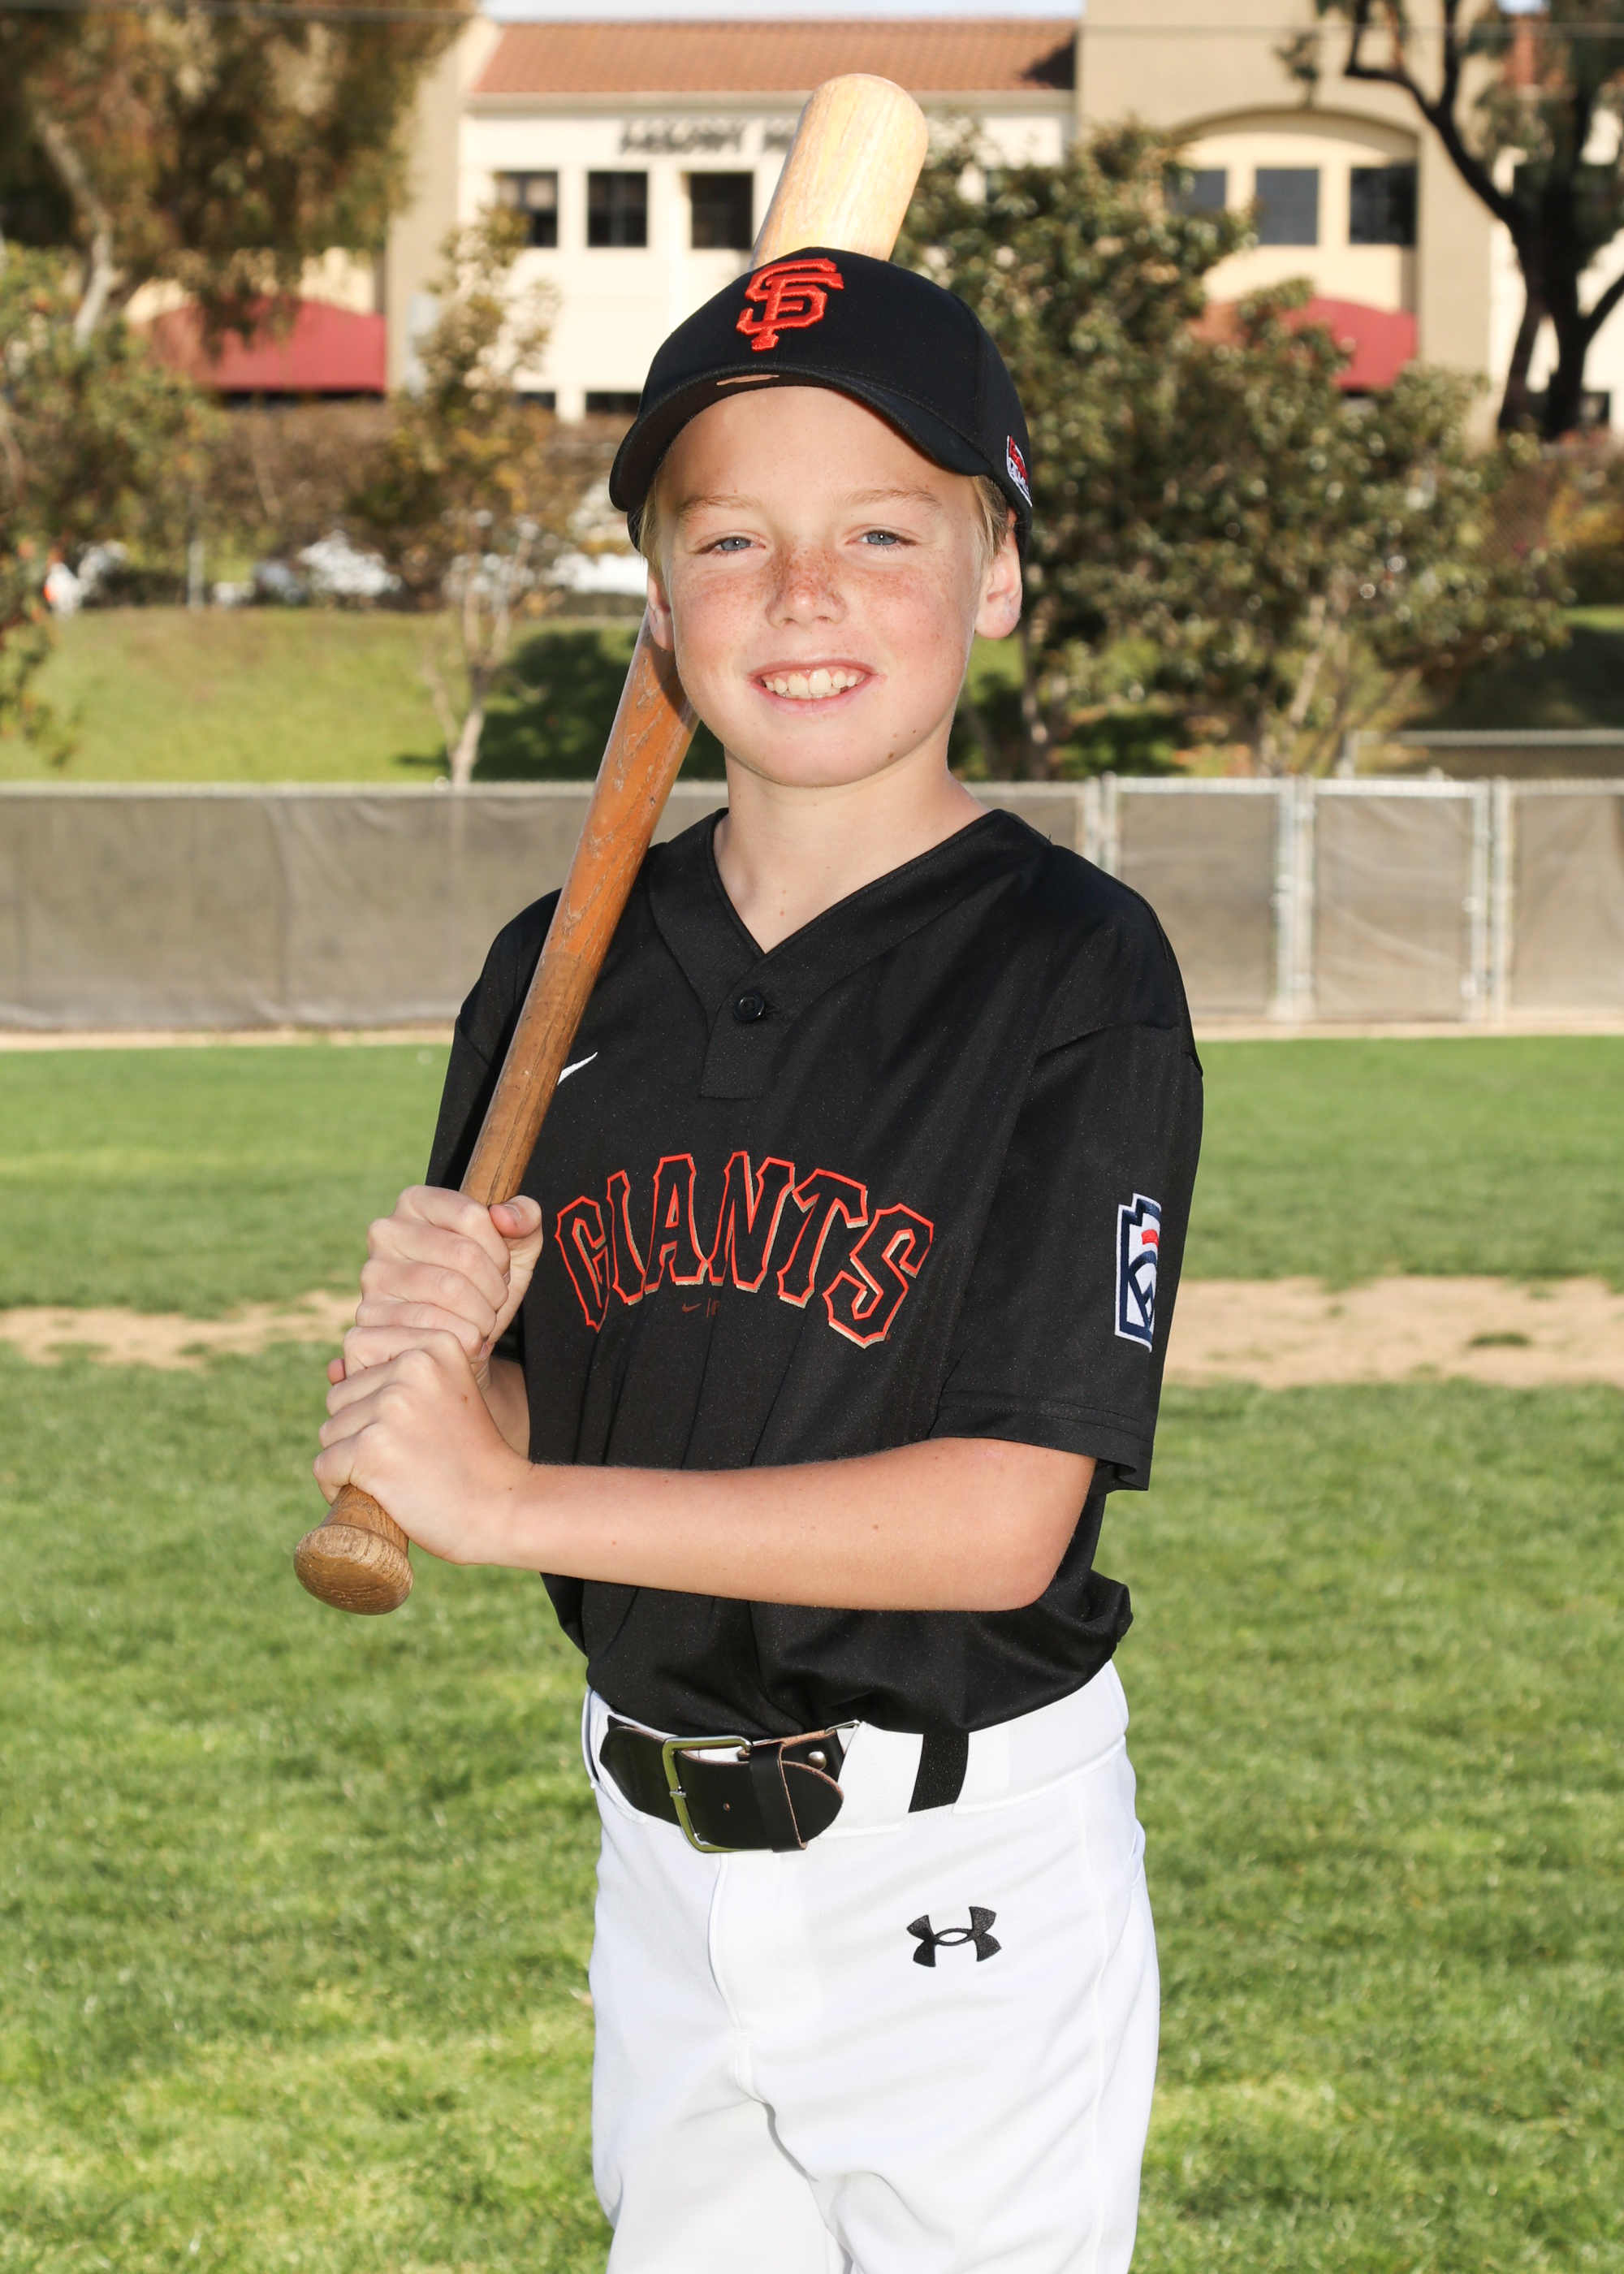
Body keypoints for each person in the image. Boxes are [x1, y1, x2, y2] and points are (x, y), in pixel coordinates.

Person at [315, 248, 1203, 2273]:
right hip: (659, 1853)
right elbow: (530, 1405)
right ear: (657, 598)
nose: (804, 594)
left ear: (997, 570)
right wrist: (437, 1375)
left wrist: (504, 1500)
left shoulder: (1071, 969)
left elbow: (999, 1520)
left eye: (882, 532)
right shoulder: (559, 972)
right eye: (731, 539)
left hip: (959, 1868)